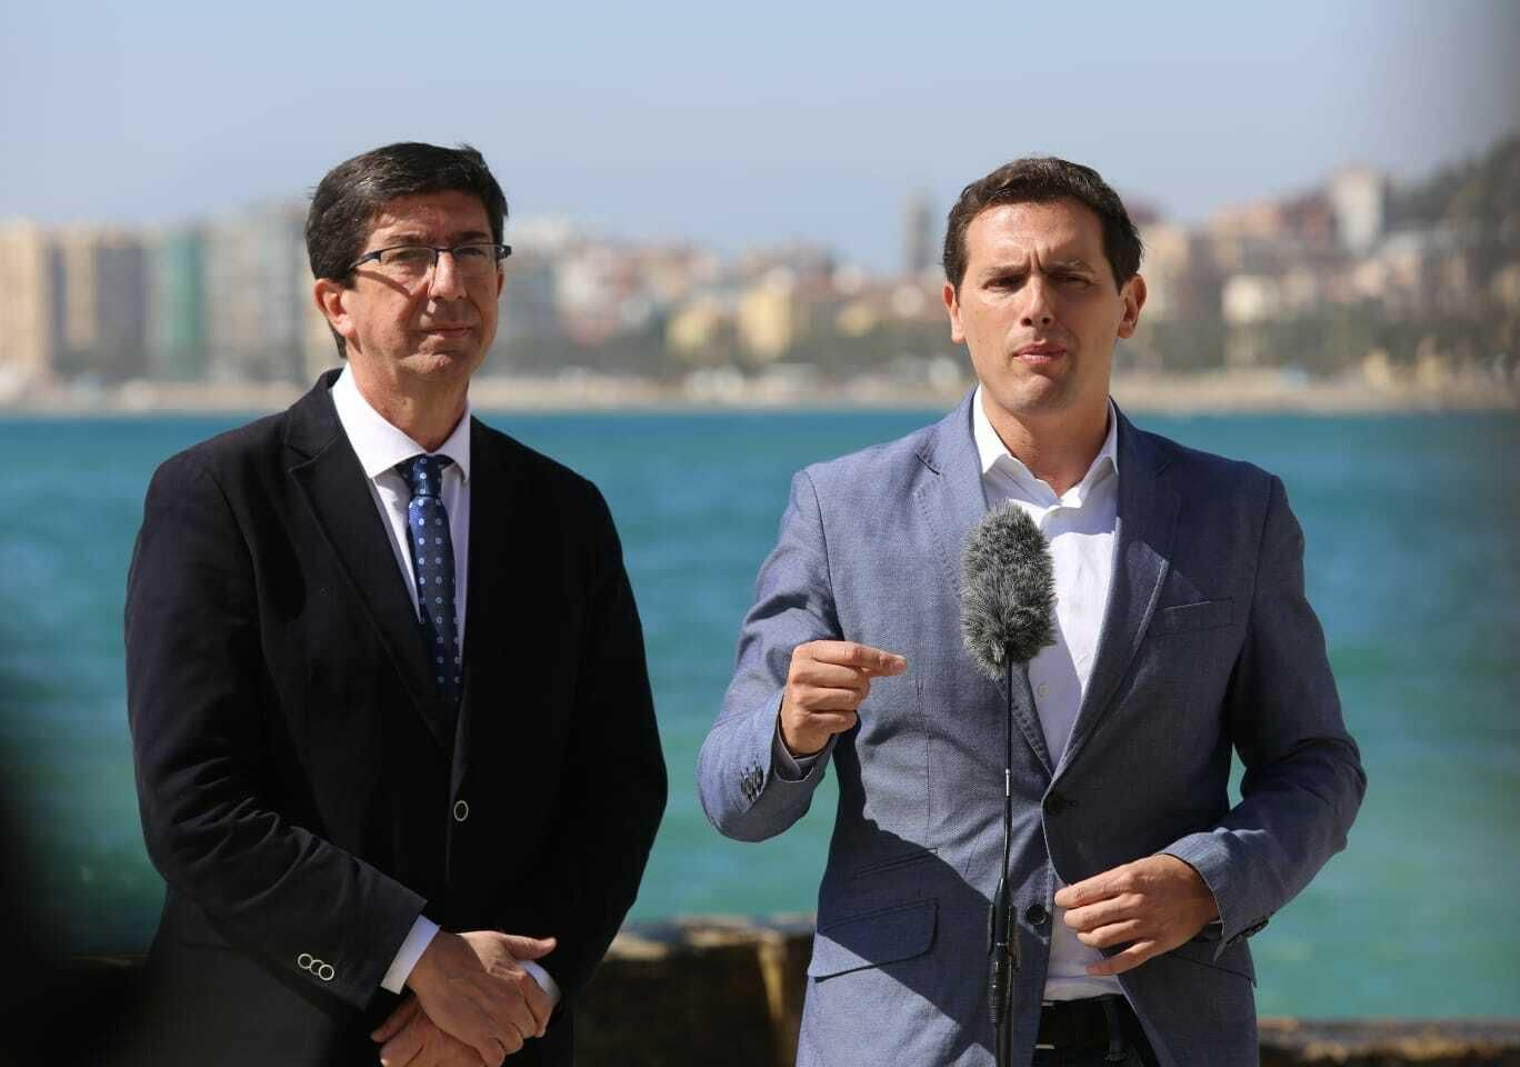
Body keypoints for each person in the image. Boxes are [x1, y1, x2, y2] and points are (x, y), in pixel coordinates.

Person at [697, 156, 1365, 1066]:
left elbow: (1316, 766)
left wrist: (1207, 880)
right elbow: (732, 797)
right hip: (907, 1039)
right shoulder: (839, 507)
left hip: (1163, 1039)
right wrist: (788, 730)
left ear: (1128, 305)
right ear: (953, 309)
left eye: (1070, 278)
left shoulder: (1236, 512)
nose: (1036, 304)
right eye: (1004, 279)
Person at [124, 142, 666, 1067]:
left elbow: (620, 786)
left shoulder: (564, 513)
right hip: (276, 1031)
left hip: (505, 1043)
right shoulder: (218, 495)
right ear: (336, 301)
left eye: (474, 250)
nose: (447, 282)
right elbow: (195, 805)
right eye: (409, 255)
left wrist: (520, 989)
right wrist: (419, 959)